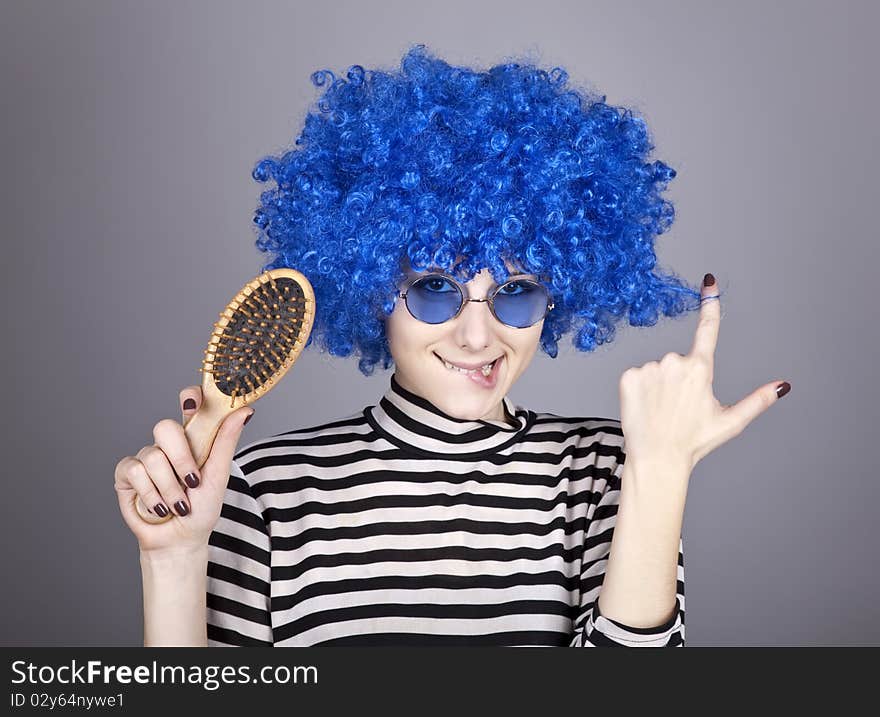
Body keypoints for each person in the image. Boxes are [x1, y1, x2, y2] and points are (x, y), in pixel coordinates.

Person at [114, 45, 789, 647]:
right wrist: (171, 560)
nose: (477, 333)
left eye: (517, 292)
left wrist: (662, 473)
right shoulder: (262, 491)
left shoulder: (609, 471)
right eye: (435, 289)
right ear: (375, 286)